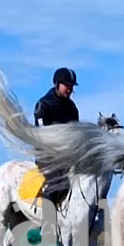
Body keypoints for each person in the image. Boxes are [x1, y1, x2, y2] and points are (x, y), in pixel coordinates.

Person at [31, 67, 80, 205]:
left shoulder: (72, 108)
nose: (70, 90)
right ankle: (48, 218)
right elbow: (43, 135)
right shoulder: (43, 105)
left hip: (67, 156)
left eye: (71, 86)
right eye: (67, 86)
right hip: (47, 156)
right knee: (56, 185)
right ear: (57, 84)